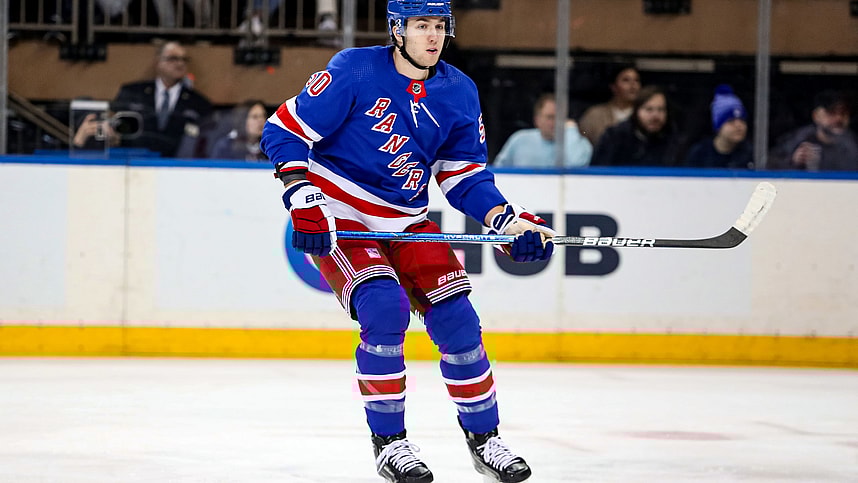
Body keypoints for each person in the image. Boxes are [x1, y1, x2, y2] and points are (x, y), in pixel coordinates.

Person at [260, 1, 552, 482]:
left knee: (459, 320)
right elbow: (284, 130)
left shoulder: (459, 91)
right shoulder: (353, 71)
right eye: (421, 26)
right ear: (398, 29)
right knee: (384, 307)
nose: (432, 37)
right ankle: (390, 444)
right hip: (342, 216)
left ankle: (485, 441)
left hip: (407, 220)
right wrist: (301, 194)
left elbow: (463, 175)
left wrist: (506, 219)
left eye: (439, 27)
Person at [112, 41, 213, 158]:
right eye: (173, 59)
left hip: (178, 165)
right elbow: (112, 126)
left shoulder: (200, 103)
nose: (180, 64)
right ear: (158, 62)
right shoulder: (133, 92)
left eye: (184, 60)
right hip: (133, 162)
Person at [590, 85, 684, 167]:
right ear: (636, 111)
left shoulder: (675, 141)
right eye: (649, 109)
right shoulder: (614, 137)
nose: (656, 116)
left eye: (661, 110)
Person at [493, 93, 592, 168]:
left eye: (560, 117)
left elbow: (577, 165)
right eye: (550, 117)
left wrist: (571, 130)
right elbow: (499, 170)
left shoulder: (578, 143)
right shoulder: (519, 140)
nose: (556, 122)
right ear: (537, 120)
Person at [768, 90, 858, 171]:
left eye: (843, 113)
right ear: (816, 116)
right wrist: (793, 161)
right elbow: (768, 170)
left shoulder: (854, 143)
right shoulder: (797, 140)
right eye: (831, 113)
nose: (838, 119)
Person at [684, 84, 754, 169]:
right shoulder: (700, 154)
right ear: (718, 127)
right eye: (731, 121)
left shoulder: (751, 154)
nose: (739, 126)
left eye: (742, 120)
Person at [578, 64, 641, 146]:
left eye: (636, 80)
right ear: (613, 87)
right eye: (626, 80)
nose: (633, 85)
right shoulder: (594, 115)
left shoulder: (645, 115)